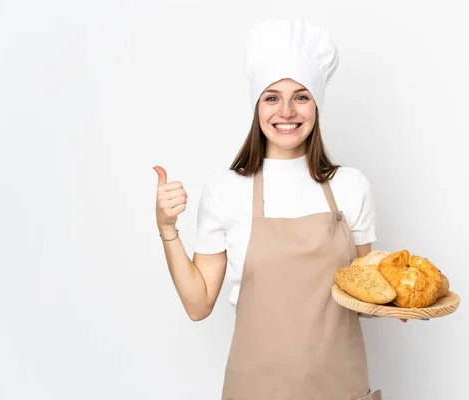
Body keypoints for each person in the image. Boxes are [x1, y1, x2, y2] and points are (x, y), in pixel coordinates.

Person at [153, 20, 383, 400]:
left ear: (317, 106)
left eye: (302, 96)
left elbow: (364, 298)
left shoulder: (352, 186)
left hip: (340, 389)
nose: (287, 111)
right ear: (257, 106)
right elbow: (198, 305)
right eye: (272, 97)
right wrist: (167, 229)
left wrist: (396, 302)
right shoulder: (224, 190)